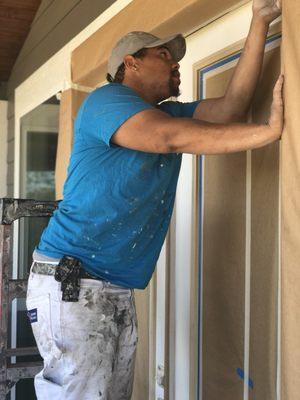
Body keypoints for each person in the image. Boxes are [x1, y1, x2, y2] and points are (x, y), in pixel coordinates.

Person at [26, 1, 283, 399]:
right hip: (71, 282)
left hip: (106, 285)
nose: (177, 63)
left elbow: (232, 107)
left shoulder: (169, 113)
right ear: (131, 63)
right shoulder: (106, 100)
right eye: (165, 55)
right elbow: (168, 138)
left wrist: (259, 20)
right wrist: (267, 133)